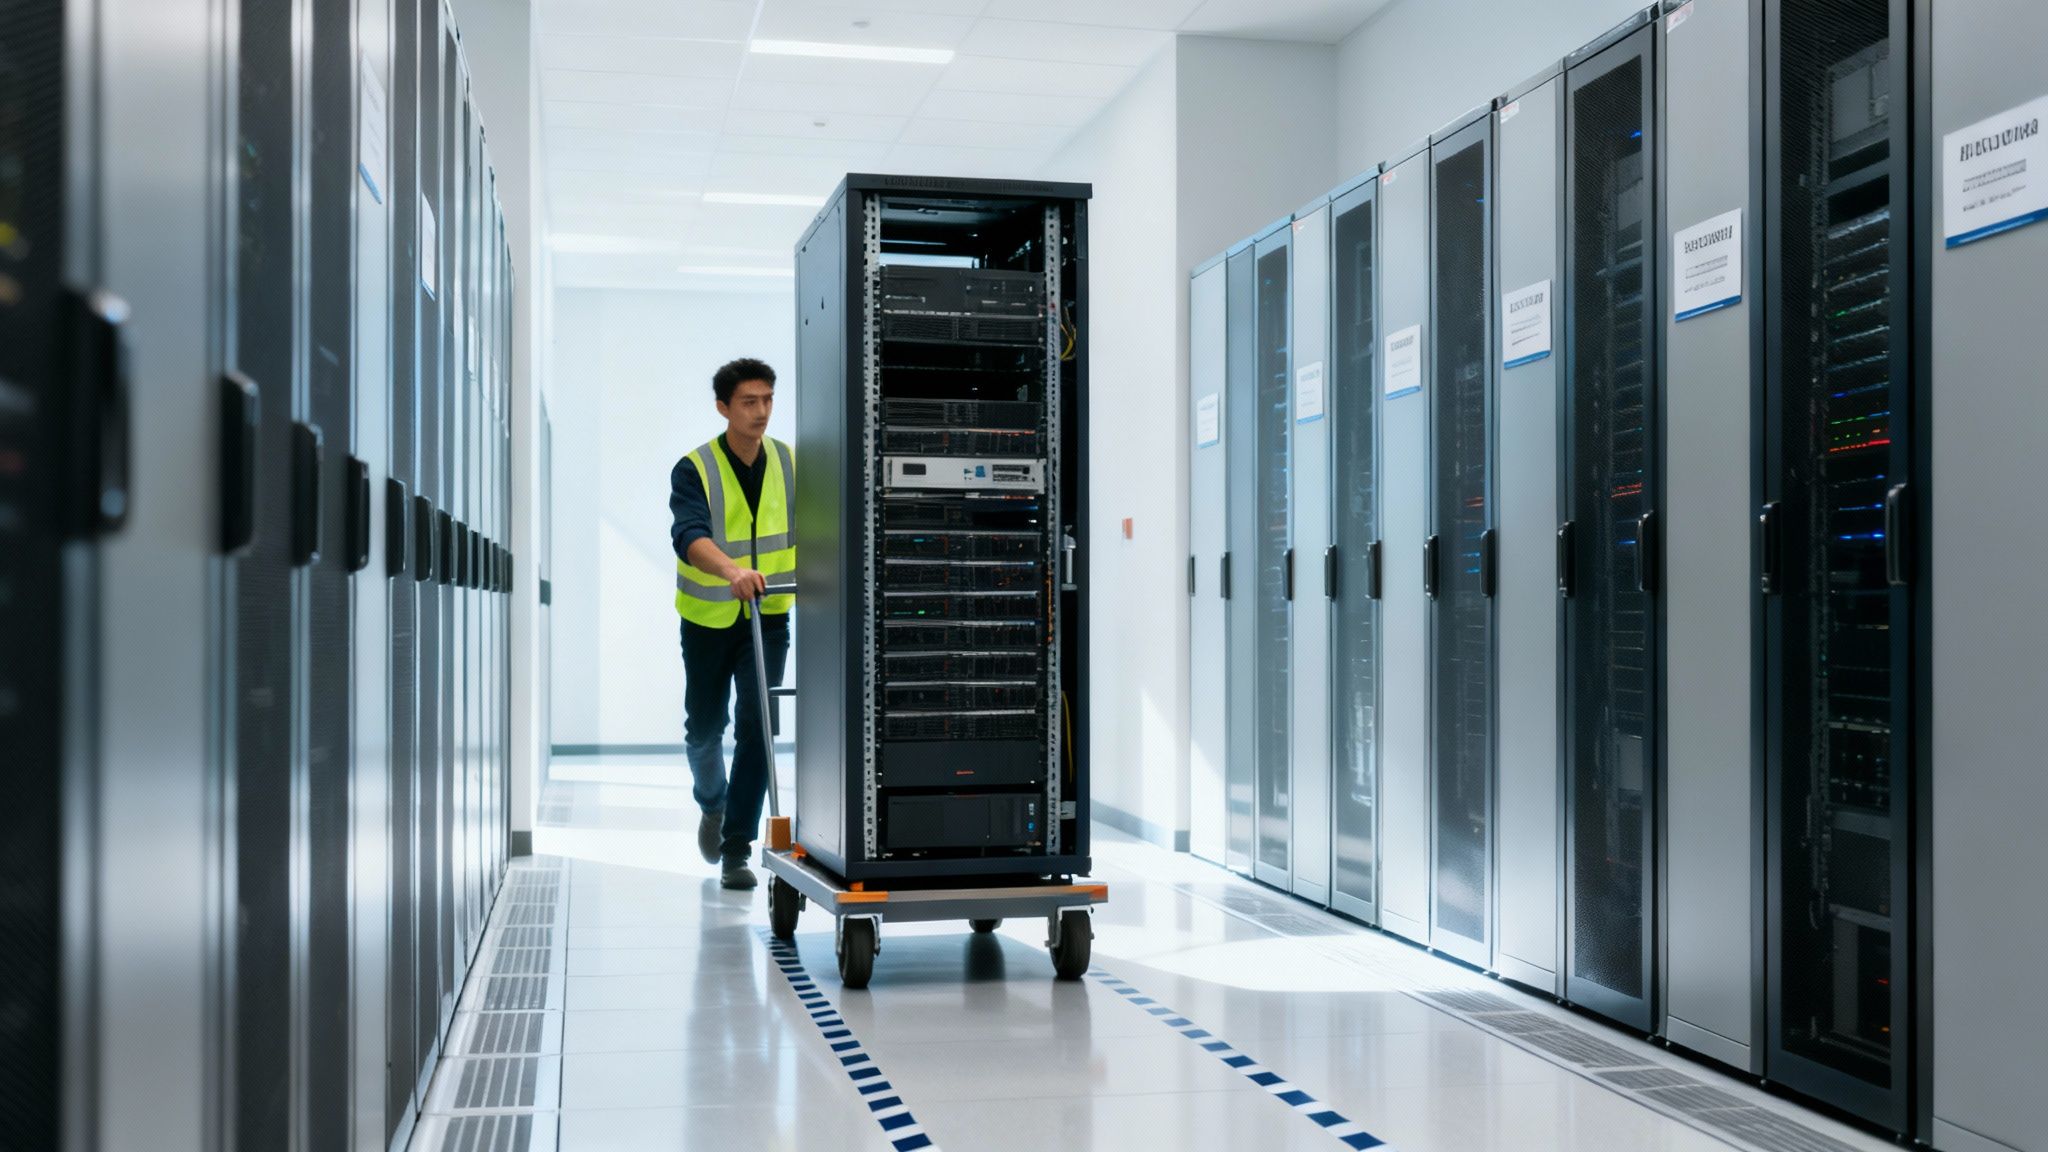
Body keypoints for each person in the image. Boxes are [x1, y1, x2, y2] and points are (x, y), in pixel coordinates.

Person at [669, 357, 794, 891]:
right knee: (704, 727)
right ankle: (713, 804)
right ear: (723, 407)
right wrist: (731, 571)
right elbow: (689, 534)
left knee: (758, 727)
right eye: (749, 401)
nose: (761, 411)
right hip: (708, 619)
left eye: (767, 399)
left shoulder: (791, 463)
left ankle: (737, 848)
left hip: (768, 618)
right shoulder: (693, 468)